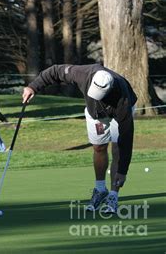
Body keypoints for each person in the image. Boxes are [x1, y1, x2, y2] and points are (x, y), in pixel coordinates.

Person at [22, 64, 137, 214]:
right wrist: (33, 87)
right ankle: (100, 189)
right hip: (94, 113)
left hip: (116, 112)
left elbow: (126, 140)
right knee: (99, 147)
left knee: (117, 147)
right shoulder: (83, 74)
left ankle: (113, 195)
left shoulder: (123, 100)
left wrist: (123, 171)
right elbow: (55, 71)